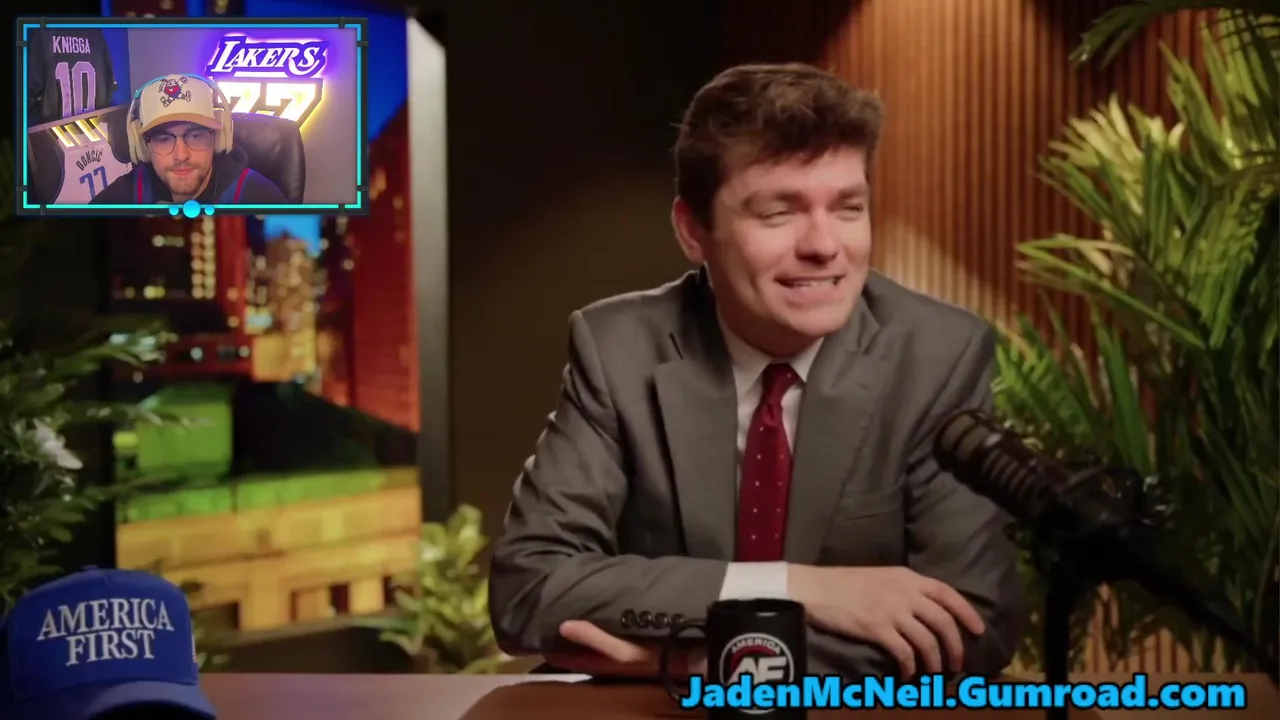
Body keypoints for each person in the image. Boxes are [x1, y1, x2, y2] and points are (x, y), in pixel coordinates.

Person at [487, 62, 1025, 680]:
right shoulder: (619, 349)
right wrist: (798, 588)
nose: (824, 245)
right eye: (778, 213)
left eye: (848, 208)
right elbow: (531, 589)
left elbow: (970, 627)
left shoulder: (938, 355)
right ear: (693, 231)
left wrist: (692, 664)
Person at [93, 74, 288, 205]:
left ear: (218, 139)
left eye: (196, 136)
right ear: (143, 147)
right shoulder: (124, 195)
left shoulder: (259, 198)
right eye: (164, 139)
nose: (181, 155)